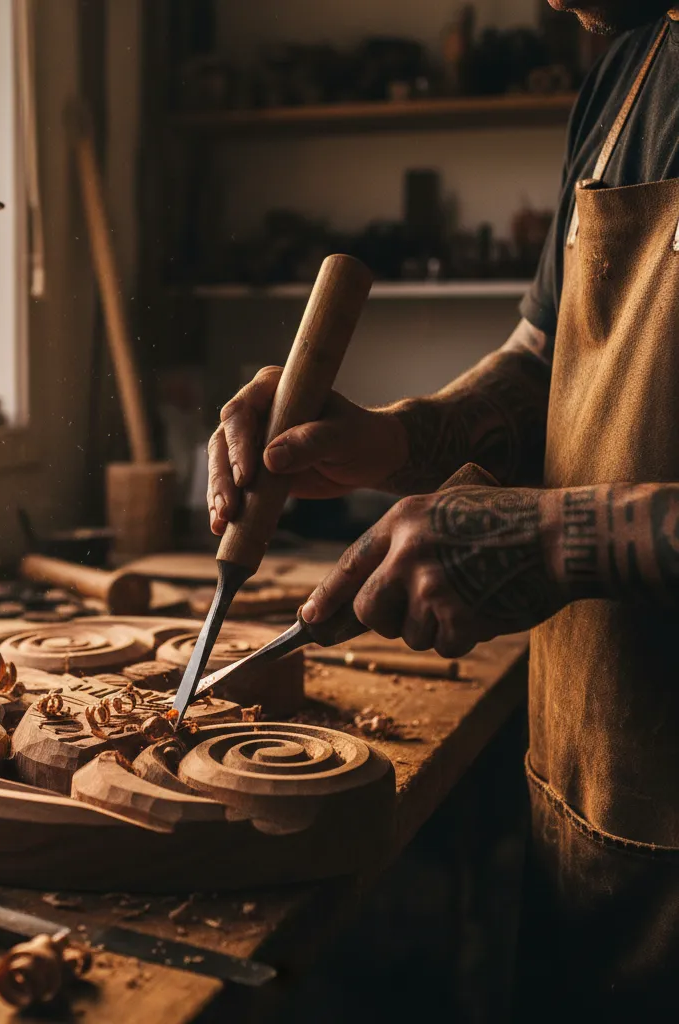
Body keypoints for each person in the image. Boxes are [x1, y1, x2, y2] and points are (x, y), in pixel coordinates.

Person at [207, 1, 679, 1013]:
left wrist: (556, 537)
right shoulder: (629, 63)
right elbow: (544, 358)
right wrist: (393, 439)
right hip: (596, 800)